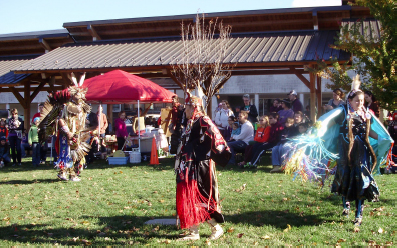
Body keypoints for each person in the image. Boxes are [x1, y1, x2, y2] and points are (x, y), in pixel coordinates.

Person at [282, 75, 393, 226]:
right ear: (350, 101)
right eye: (357, 101)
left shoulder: (365, 114)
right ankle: (346, 204)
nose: (360, 103)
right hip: (345, 149)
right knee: (344, 176)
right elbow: (328, 121)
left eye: (362, 101)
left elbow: (369, 132)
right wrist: (318, 130)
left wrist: (382, 139)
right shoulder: (342, 112)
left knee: (361, 178)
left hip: (361, 152)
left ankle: (359, 213)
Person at [175, 93, 231, 241]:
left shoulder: (203, 120)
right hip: (188, 165)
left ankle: (216, 228)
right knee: (189, 197)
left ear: (193, 107)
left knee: (200, 196)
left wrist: (210, 153)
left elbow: (217, 138)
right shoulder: (190, 122)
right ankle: (194, 231)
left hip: (200, 165)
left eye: (186, 107)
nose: (184, 110)